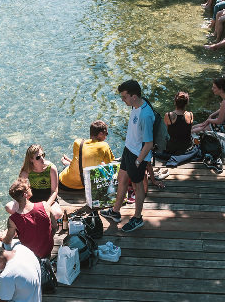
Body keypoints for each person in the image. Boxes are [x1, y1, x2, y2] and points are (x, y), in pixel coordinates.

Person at [100, 80, 154, 233]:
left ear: (134, 96)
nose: (123, 100)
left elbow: (149, 144)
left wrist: (138, 161)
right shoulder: (135, 105)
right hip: (128, 150)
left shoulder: (145, 114)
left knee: (137, 186)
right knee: (122, 178)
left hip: (137, 155)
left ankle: (137, 218)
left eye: (124, 97)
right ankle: (115, 212)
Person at [8, 145, 63, 231]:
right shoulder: (27, 170)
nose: (42, 159)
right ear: (31, 159)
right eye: (38, 157)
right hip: (33, 199)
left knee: (58, 214)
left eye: (43, 155)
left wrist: (46, 206)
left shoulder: (51, 168)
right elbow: (20, 190)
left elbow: (54, 191)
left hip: (48, 199)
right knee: (9, 207)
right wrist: (26, 205)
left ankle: (30, 222)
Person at [0, 179, 54, 259]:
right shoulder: (44, 205)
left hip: (30, 255)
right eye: (29, 188)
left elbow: (8, 240)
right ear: (25, 194)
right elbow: (55, 226)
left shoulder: (13, 219)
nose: (31, 188)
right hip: (47, 249)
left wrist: (3, 236)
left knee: (4, 244)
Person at [58, 120, 115, 191]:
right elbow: (111, 167)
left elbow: (82, 159)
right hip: (86, 187)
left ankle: (68, 164)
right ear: (100, 134)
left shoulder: (78, 142)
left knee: (65, 169)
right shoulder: (104, 146)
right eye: (106, 134)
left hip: (65, 184)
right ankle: (68, 164)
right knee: (100, 165)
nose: (106, 136)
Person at [164, 91, 193, 155]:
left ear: (175, 101)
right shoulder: (190, 114)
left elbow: (165, 131)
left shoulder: (168, 115)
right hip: (187, 148)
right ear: (186, 103)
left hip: (172, 148)